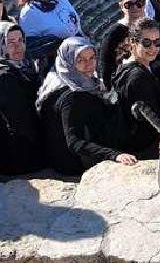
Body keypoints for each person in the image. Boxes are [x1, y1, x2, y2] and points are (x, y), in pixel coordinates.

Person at [36, 37, 137, 176]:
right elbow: (74, 142)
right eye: (80, 60)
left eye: (92, 58)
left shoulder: (79, 80)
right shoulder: (72, 96)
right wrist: (115, 155)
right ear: (69, 61)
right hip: (78, 165)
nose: (88, 65)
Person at [0, 22, 43, 176]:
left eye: (20, 40)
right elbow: (21, 123)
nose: (18, 47)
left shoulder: (0, 67)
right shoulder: (3, 78)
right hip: (13, 158)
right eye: (10, 42)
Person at [112, 19, 160, 158]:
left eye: (157, 42)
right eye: (147, 42)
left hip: (133, 140)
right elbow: (150, 121)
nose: (153, 48)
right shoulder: (139, 78)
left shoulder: (124, 65)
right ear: (132, 42)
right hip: (144, 147)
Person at [99, 0, 147, 87]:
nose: (135, 7)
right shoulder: (114, 34)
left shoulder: (149, 27)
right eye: (129, 4)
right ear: (121, 6)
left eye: (139, 2)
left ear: (145, 3)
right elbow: (106, 71)